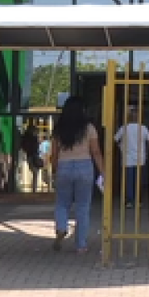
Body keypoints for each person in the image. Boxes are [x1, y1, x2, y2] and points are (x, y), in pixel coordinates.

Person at [49, 96, 102, 253]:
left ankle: (61, 227)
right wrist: (103, 171)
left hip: (64, 166)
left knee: (62, 203)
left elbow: (54, 154)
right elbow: (96, 152)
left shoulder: (59, 129)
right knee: (83, 207)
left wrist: (54, 171)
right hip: (84, 166)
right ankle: (81, 245)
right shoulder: (89, 128)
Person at [114, 107, 149, 206]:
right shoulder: (143, 128)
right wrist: (145, 153)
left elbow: (115, 139)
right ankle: (138, 200)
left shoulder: (124, 128)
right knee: (139, 180)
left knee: (128, 181)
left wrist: (121, 148)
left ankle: (129, 201)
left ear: (129, 117)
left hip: (127, 158)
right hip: (140, 158)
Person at [19, 121, 41, 194]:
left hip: (30, 155)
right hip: (33, 155)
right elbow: (35, 147)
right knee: (35, 171)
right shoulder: (33, 138)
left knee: (35, 171)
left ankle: (34, 188)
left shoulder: (26, 137)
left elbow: (24, 146)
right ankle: (34, 189)